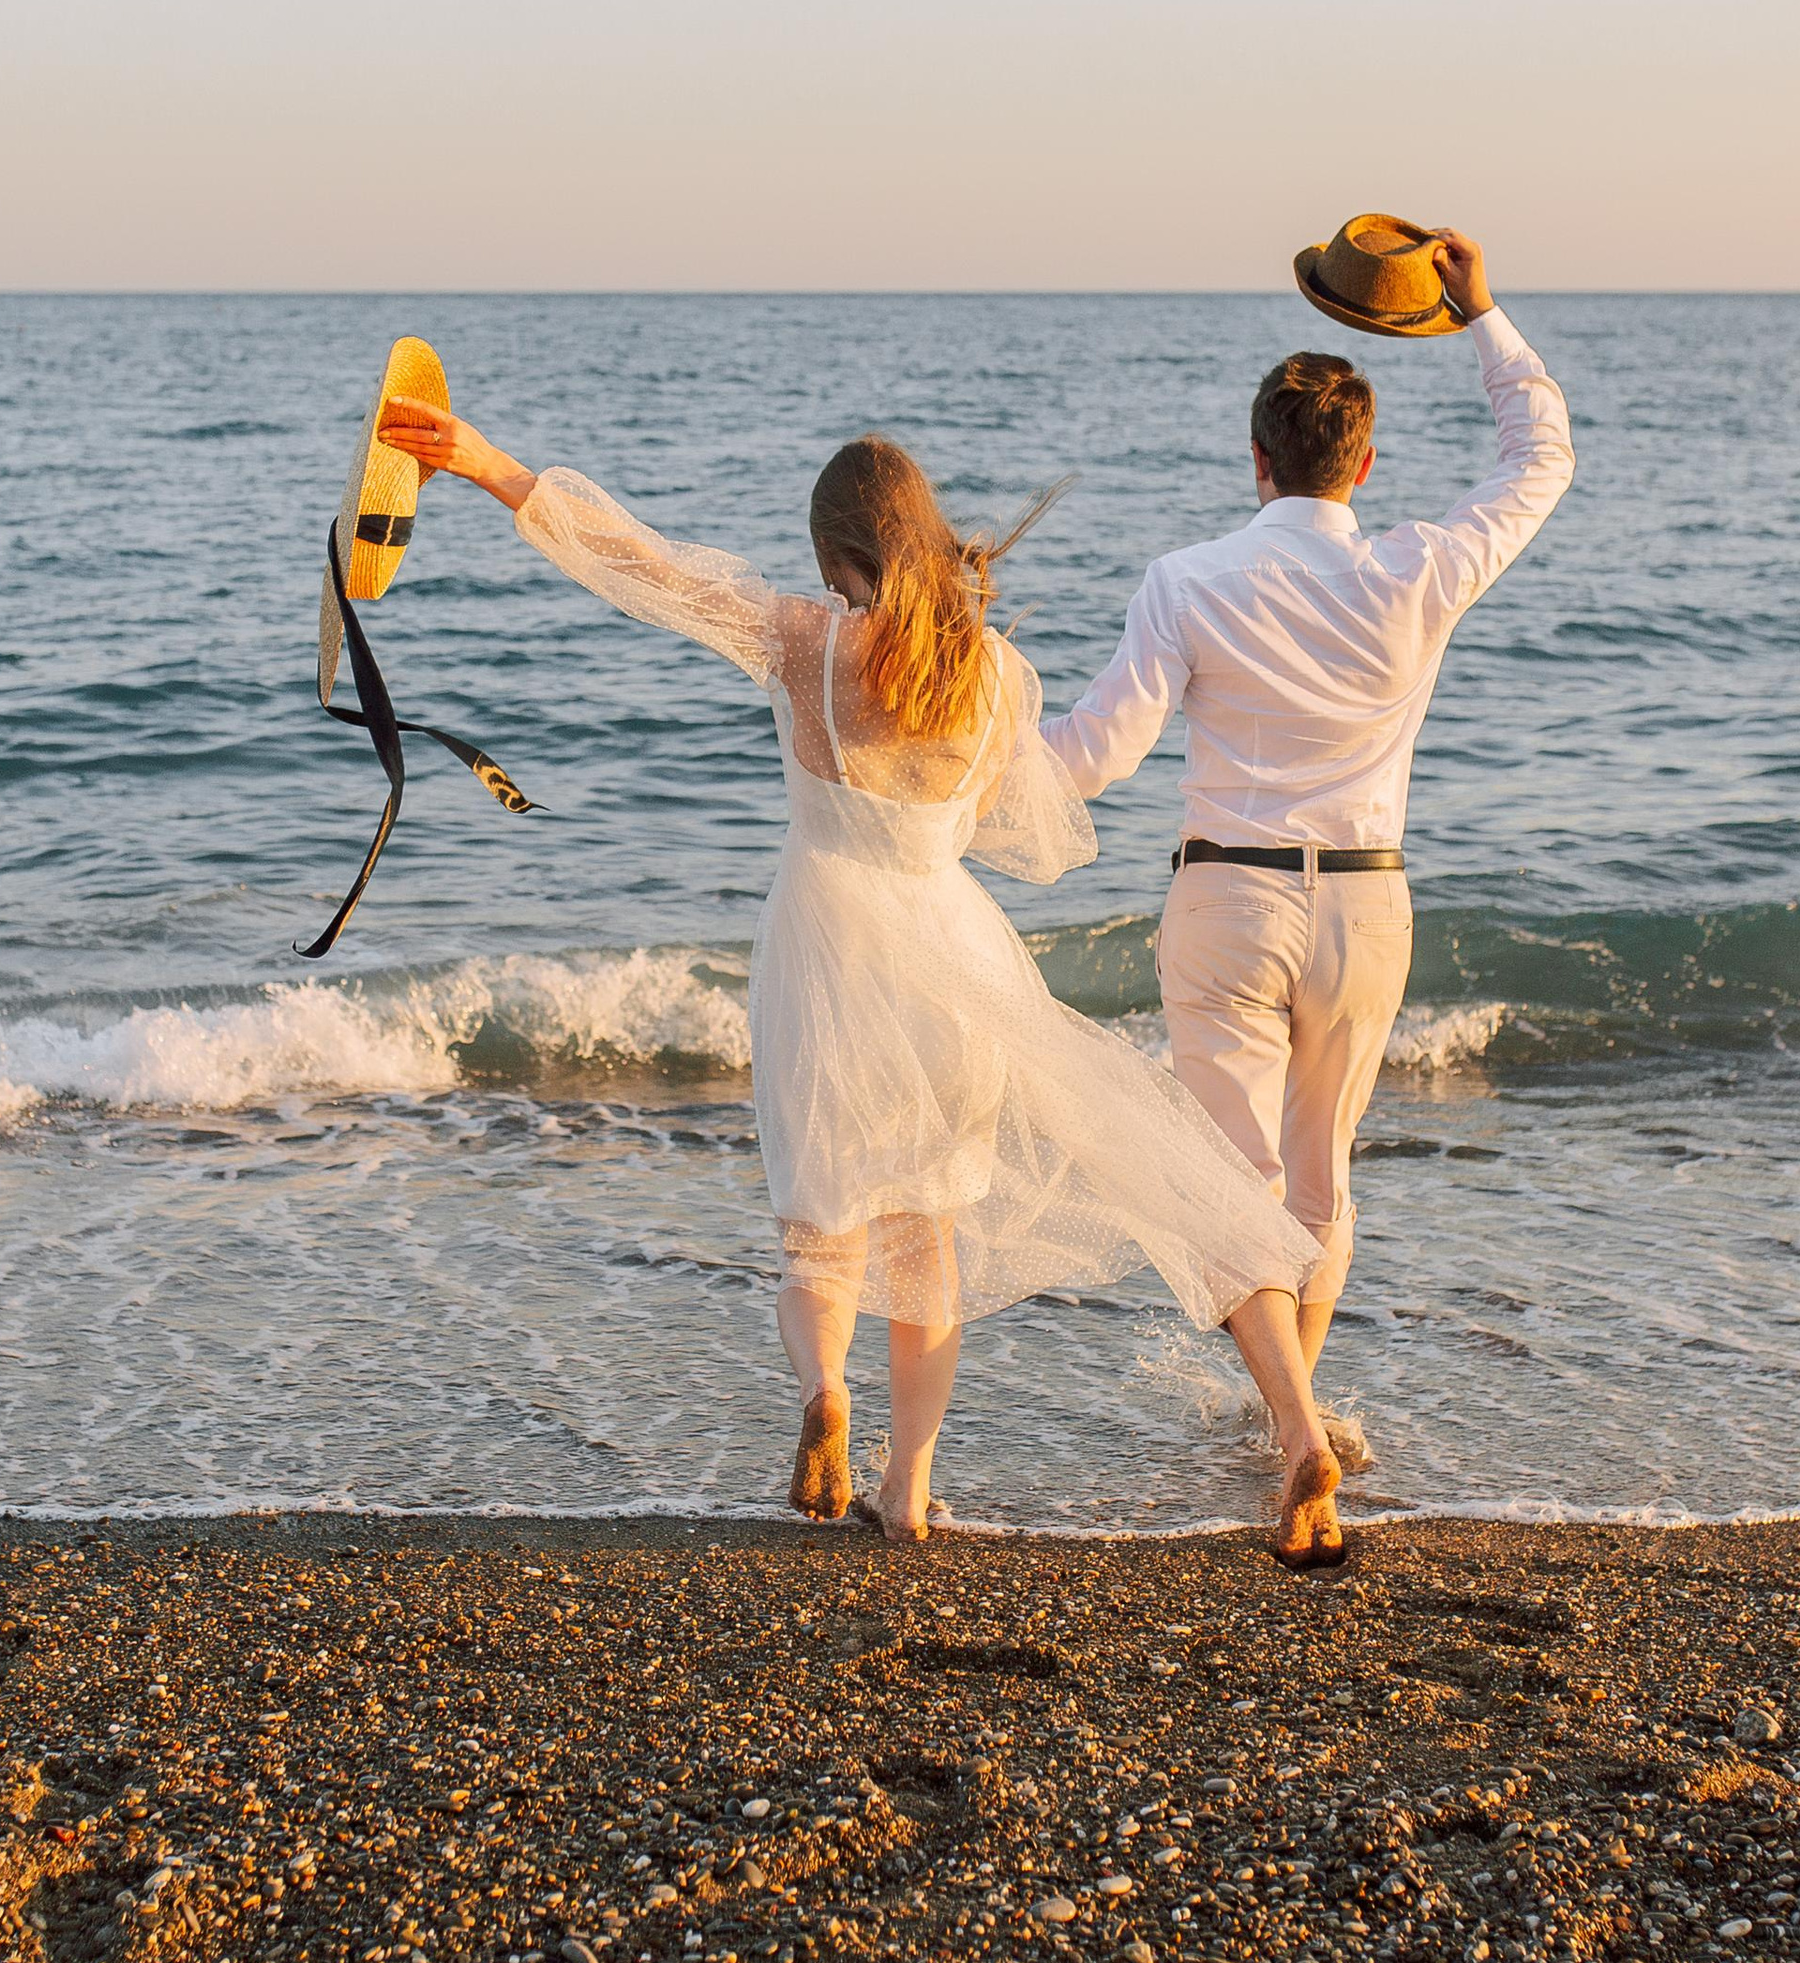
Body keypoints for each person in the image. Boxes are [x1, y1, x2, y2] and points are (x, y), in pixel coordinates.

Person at [374, 399, 1348, 1561]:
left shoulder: (802, 641)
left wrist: (485, 464)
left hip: (823, 943)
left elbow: (644, 568)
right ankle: (922, 1484)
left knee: (820, 1228)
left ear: (839, 554)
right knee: (942, 1228)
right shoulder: (991, 673)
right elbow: (1031, 832)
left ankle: (823, 1391)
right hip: (951, 950)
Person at [1042, 231, 1574, 1431]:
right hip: (1365, 909)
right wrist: (1480, 314)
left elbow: (1096, 753)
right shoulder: (1419, 570)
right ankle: (1298, 1412)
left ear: (1255, 461)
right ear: (1366, 465)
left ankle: (1288, 1428)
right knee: (1319, 1181)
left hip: (1228, 902)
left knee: (1231, 1188)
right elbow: (1541, 457)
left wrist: (971, 759)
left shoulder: (1185, 580)